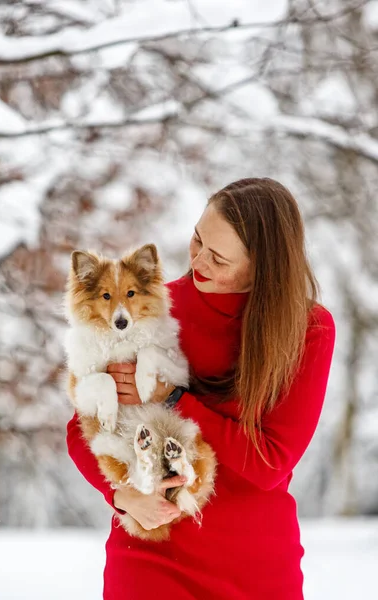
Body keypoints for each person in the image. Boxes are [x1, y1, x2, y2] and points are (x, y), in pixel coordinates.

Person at [66, 177, 335, 600]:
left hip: (256, 565)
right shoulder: (150, 309)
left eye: (219, 258)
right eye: (196, 240)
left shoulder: (308, 330)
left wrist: (171, 398)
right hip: (152, 554)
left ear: (263, 265)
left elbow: (270, 464)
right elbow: (85, 426)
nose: (197, 262)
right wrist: (120, 496)